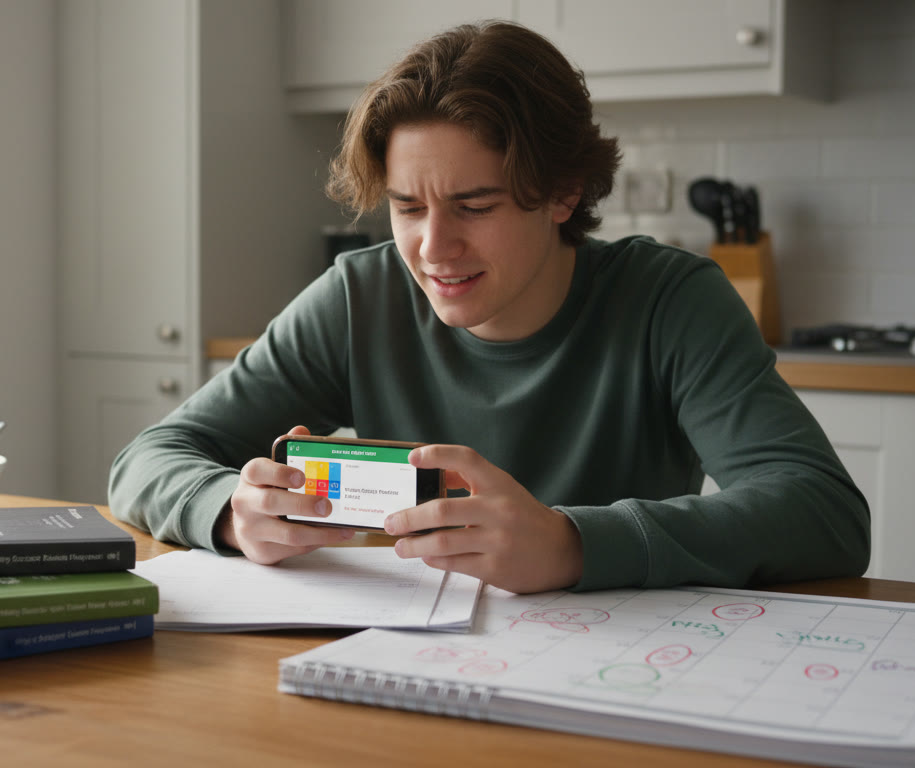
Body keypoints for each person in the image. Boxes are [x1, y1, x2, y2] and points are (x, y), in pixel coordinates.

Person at [108, 20, 869, 594]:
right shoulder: (359, 296)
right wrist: (228, 510)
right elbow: (146, 459)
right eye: (408, 208)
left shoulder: (668, 301)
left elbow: (824, 514)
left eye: (474, 205)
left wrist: (570, 543)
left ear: (564, 194)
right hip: (398, 665)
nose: (433, 249)